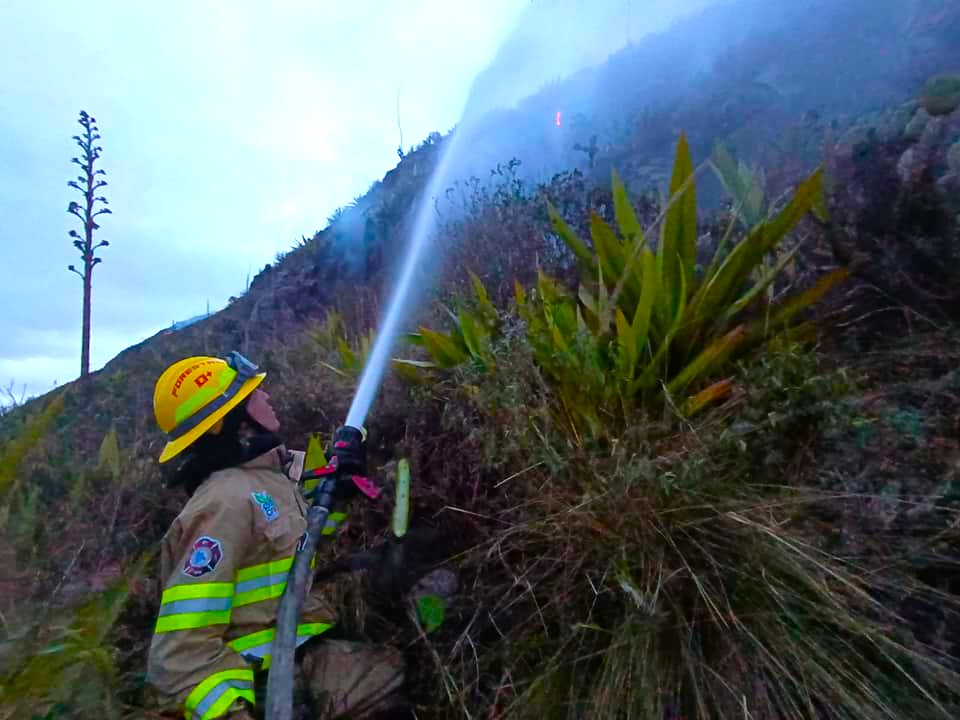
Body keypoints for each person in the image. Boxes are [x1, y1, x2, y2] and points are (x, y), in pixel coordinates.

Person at [147, 351, 409, 720]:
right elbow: (178, 657)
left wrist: (338, 492)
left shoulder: (265, 480)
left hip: (300, 650)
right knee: (400, 673)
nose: (266, 397)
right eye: (253, 395)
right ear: (233, 422)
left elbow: (292, 545)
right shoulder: (224, 504)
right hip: (275, 683)